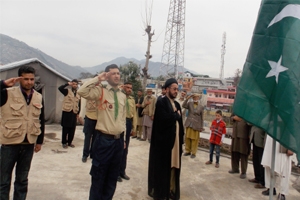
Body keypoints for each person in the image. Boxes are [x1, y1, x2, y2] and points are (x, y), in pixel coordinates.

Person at [77, 64, 126, 200]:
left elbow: (122, 118)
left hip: (118, 142)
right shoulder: (101, 91)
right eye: (113, 73)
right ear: (107, 75)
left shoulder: (122, 96)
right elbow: (82, 91)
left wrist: (124, 140)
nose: (117, 75)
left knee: (112, 179)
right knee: (99, 177)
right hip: (104, 141)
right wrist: (98, 78)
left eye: (118, 73)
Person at [0, 65, 45, 200]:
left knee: (22, 180)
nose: (29, 82)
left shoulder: (38, 96)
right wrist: (2, 84)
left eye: (32, 79)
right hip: (9, 143)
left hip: (29, 143)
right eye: (26, 79)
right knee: (3, 180)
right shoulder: (6, 93)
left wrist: (40, 141)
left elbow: (41, 119)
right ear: (19, 79)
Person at [148, 78, 184, 200]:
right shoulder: (162, 102)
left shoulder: (177, 104)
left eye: (177, 89)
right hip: (164, 144)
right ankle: (162, 192)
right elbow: (164, 120)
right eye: (174, 89)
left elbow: (180, 122)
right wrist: (175, 115)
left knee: (174, 167)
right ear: (167, 89)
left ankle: (171, 190)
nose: (176, 91)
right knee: (163, 169)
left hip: (176, 143)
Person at [261, 135, 293, 200]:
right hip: (270, 140)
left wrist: (291, 147)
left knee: (284, 169)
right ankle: (271, 188)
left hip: (283, 142)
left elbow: (293, 128)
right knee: (269, 165)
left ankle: (282, 193)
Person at [117, 82, 137, 182]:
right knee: (118, 149)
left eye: (130, 88)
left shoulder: (132, 100)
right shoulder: (119, 96)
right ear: (123, 87)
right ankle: (116, 173)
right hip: (120, 123)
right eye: (127, 87)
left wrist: (134, 128)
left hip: (128, 123)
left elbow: (134, 114)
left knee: (125, 149)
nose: (129, 89)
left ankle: (122, 171)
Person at [58, 79, 80, 148]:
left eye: (76, 84)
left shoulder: (78, 93)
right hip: (67, 112)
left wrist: (78, 113)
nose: (75, 85)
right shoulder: (67, 91)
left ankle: (70, 142)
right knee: (65, 128)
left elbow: (79, 103)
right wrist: (67, 84)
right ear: (71, 84)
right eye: (73, 84)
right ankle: (64, 142)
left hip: (74, 112)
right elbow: (60, 88)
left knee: (72, 129)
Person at [182, 93, 204, 158]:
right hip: (189, 123)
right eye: (194, 97)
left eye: (196, 97)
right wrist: (187, 98)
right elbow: (183, 105)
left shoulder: (201, 106)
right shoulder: (189, 104)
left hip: (196, 124)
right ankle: (187, 151)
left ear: (198, 98)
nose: (195, 98)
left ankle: (193, 153)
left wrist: (201, 127)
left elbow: (202, 117)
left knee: (195, 139)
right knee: (187, 138)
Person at [228, 114, 251, 179]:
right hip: (235, 134)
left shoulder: (248, 108)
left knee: (243, 153)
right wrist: (234, 118)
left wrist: (249, 133)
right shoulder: (237, 108)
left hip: (244, 134)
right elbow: (231, 117)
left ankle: (243, 172)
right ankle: (235, 168)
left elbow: (251, 121)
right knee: (234, 151)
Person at [81, 98, 98, 163]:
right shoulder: (88, 92)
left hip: (97, 118)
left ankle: (93, 154)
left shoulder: (100, 91)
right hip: (89, 117)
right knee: (87, 137)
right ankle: (85, 154)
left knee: (95, 138)